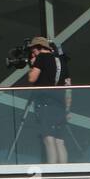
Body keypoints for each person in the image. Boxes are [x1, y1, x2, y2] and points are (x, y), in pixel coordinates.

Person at [24, 36, 72, 164]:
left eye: (33, 51)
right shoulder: (62, 61)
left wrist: (33, 65)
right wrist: (67, 109)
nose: (33, 54)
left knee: (48, 138)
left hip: (45, 103)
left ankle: (52, 170)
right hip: (60, 105)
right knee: (60, 141)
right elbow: (68, 86)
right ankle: (64, 171)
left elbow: (32, 79)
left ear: (39, 48)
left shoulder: (42, 57)